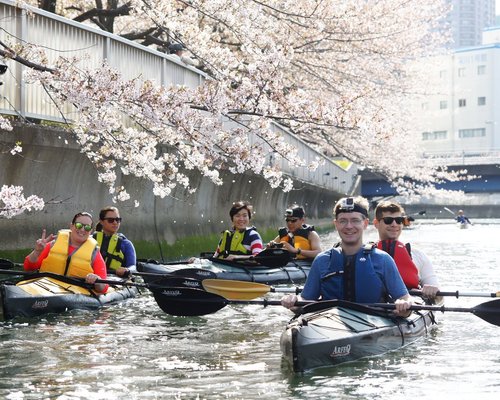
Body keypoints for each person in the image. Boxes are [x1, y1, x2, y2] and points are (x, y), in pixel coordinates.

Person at [282, 196, 412, 317]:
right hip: (329, 323)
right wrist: (293, 301)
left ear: (365, 223)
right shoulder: (322, 260)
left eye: (355, 220)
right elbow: (305, 300)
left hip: (374, 320)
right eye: (343, 221)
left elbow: (404, 297)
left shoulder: (383, 259)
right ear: (336, 224)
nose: (349, 226)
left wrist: (404, 306)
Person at [24, 212, 108, 293]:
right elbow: (29, 267)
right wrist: (37, 251)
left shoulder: (94, 254)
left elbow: (103, 288)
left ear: (91, 231)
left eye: (87, 227)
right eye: (79, 225)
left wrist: (96, 279)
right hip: (45, 287)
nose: (82, 229)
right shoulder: (53, 245)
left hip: (73, 293)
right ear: (71, 226)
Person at [373, 201, 441, 301]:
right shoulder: (365, 254)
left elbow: (440, 299)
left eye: (399, 220)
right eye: (388, 220)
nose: (394, 224)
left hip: (410, 307)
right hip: (373, 309)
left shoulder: (418, 256)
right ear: (376, 223)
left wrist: (433, 291)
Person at [93, 206, 136, 278]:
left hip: (115, 280)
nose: (115, 222)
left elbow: (133, 267)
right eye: (110, 220)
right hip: (91, 278)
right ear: (101, 221)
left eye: (117, 220)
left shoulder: (126, 244)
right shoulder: (91, 240)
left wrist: (127, 270)